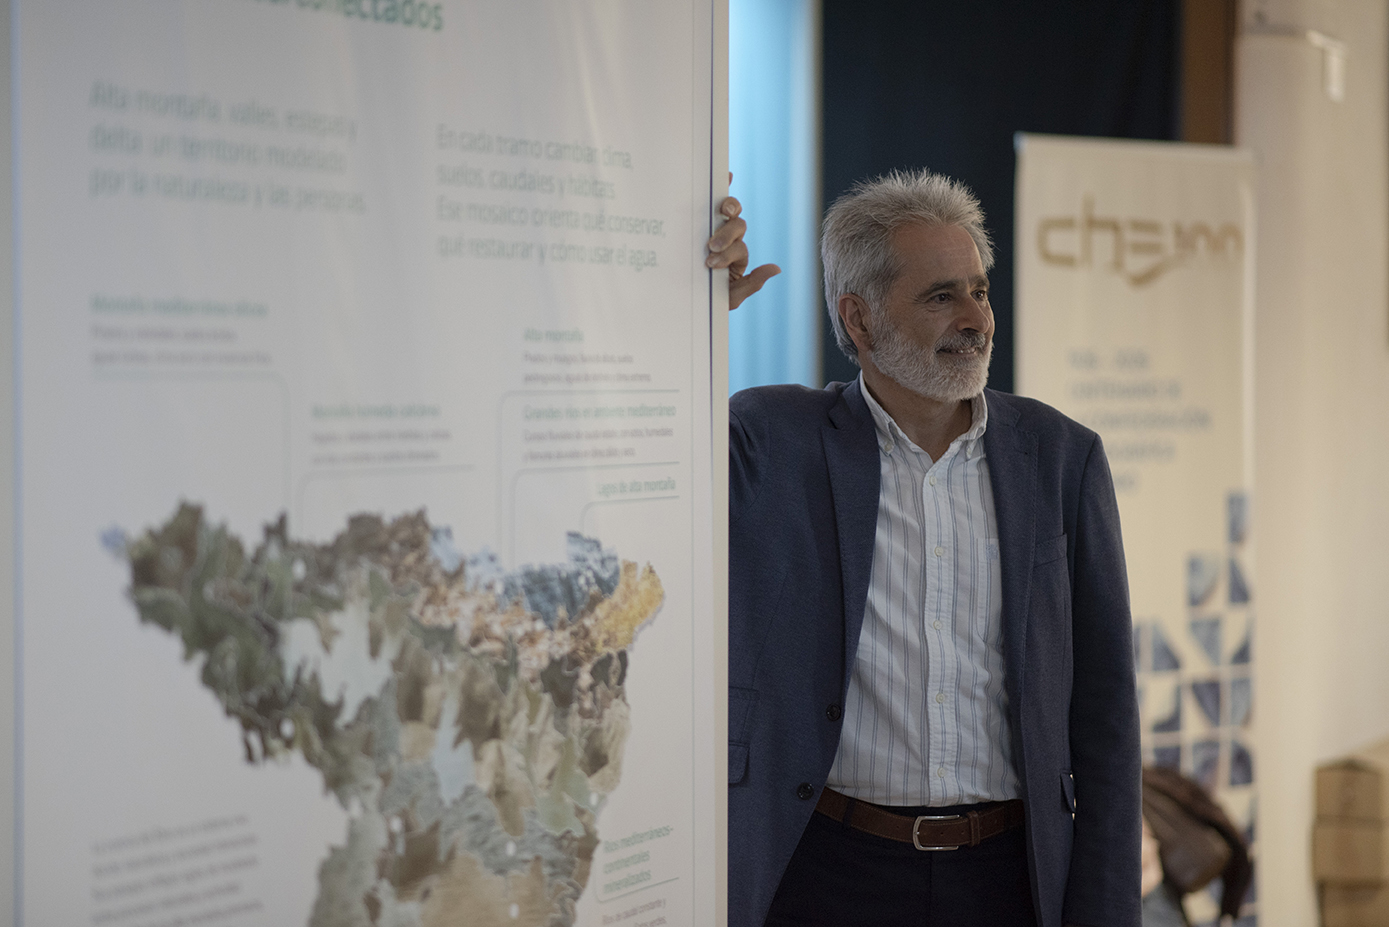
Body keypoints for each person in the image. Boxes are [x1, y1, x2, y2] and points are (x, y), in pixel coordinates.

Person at [704, 169, 1141, 927]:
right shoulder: (769, 442)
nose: (976, 318)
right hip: (824, 873)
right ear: (860, 320)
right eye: (941, 295)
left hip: (1008, 878)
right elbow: (636, 458)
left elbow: (1104, 714)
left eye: (979, 289)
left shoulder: (1061, 456)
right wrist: (689, 317)